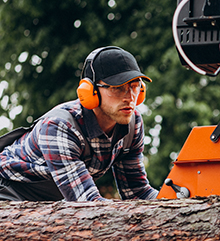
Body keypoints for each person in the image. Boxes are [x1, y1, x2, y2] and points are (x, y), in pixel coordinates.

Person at [0, 46, 159, 201]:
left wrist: (176, 202)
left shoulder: (132, 124)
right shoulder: (59, 126)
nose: (130, 97)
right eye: (117, 88)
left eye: (135, 87)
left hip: (48, 202)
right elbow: (87, 203)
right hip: (8, 192)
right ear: (90, 91)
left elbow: (137, 192)